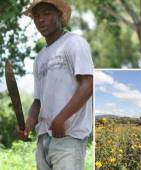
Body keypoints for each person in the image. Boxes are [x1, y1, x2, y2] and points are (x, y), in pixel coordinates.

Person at [16, 0, 94, 169]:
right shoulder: (39, 58)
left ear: (60, 16)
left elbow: (88, 84)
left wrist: (61, 119)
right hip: (43, 138)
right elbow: (38, 101)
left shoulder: (74, 43)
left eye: (46, 13)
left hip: (68, 137)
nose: (41, 19)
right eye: (36, 16)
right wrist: (28, 123)